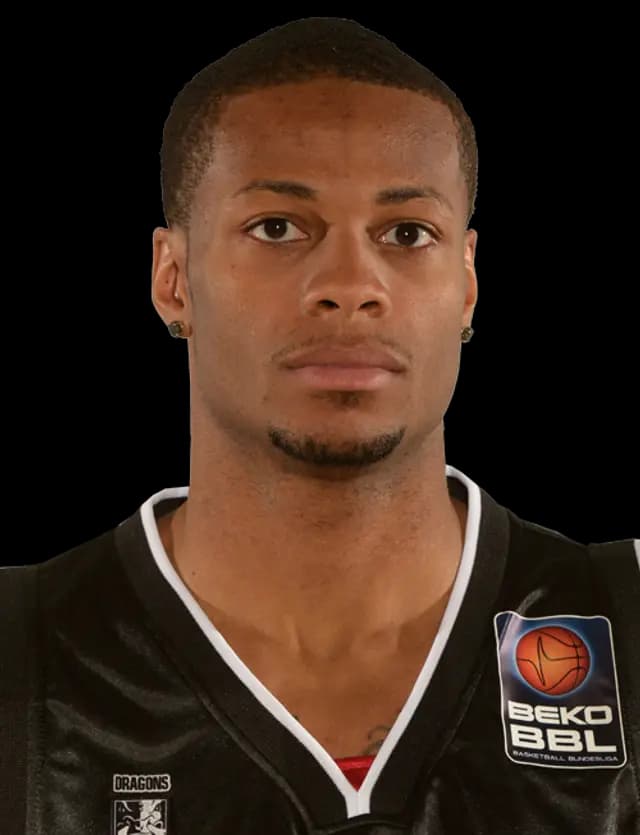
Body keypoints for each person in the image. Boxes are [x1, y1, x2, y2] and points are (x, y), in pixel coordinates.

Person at [1, 16, 638, 835]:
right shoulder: (24, 662)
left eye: (406, 233)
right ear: (173, 279)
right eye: (278, 227)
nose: (349, 283)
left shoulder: (624, 625)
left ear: (468, 284)